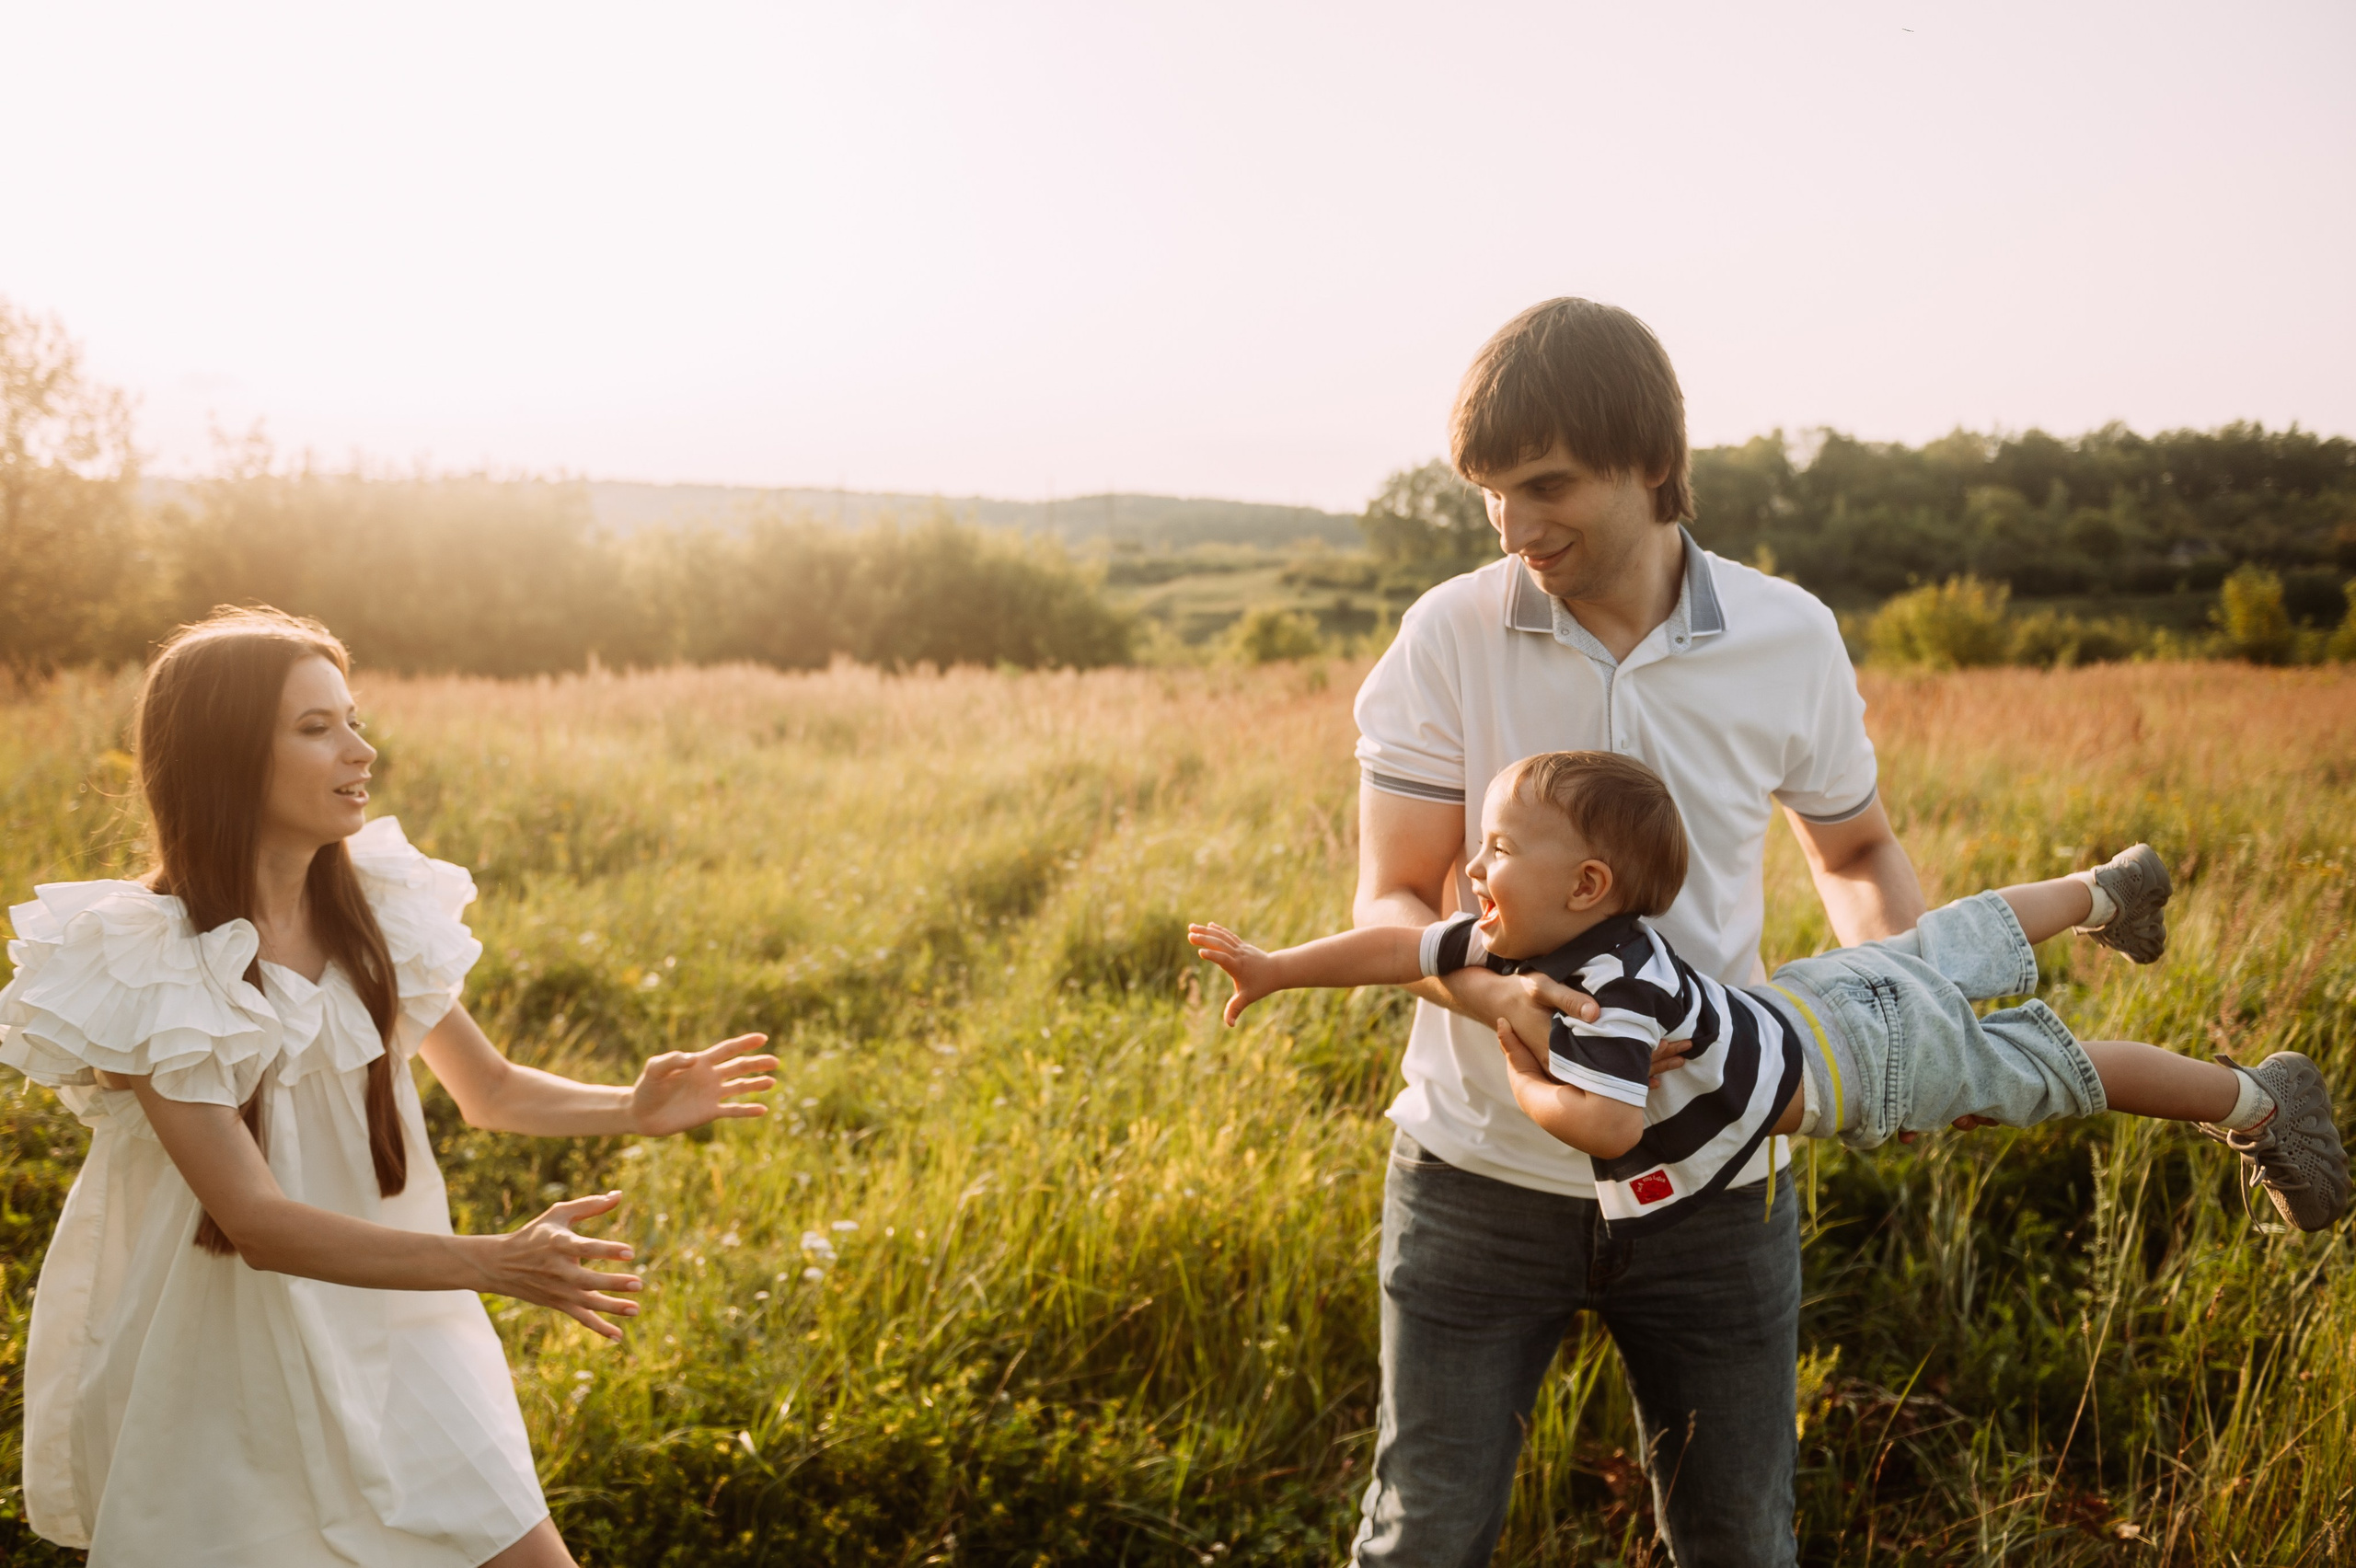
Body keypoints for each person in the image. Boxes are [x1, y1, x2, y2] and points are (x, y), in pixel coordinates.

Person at [0, 607, 780, 1568]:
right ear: (224, 755)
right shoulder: (154, 962)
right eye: (315, 727)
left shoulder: (370, 912)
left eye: (353, 718)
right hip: (228, 1351)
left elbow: (487, 1090)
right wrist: (493, 1261)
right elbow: (256, 1221)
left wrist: (630, 1106)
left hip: (404, 1323)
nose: (360, 750)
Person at [1342, 296, 1929, 1566]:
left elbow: (1858, 852)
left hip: (1717, 1183)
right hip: (1475, 1178)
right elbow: (1391, 896)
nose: (1516, 528)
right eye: (1489, 495)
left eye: (1546, 485)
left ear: (1655, 461)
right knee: (1422, 1537)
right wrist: (1492, 998)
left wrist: (1891, 1011)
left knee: (1736, 1541)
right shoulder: (1448, 633)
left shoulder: (1790, 636)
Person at [1192, 750, 2349, 1238]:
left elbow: (1607, 1121)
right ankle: (2101, 895)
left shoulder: (1606, 992)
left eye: (1494, 850)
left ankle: (2255, 1103)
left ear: (1585, 884)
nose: (1471, 872)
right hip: (1812, 1003)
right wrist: (1279, 968)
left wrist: (1517, 1069)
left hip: (1854, 1071)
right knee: (1944, 947)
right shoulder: (1536, 931)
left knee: (2068, 1073)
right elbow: (1406, 953)